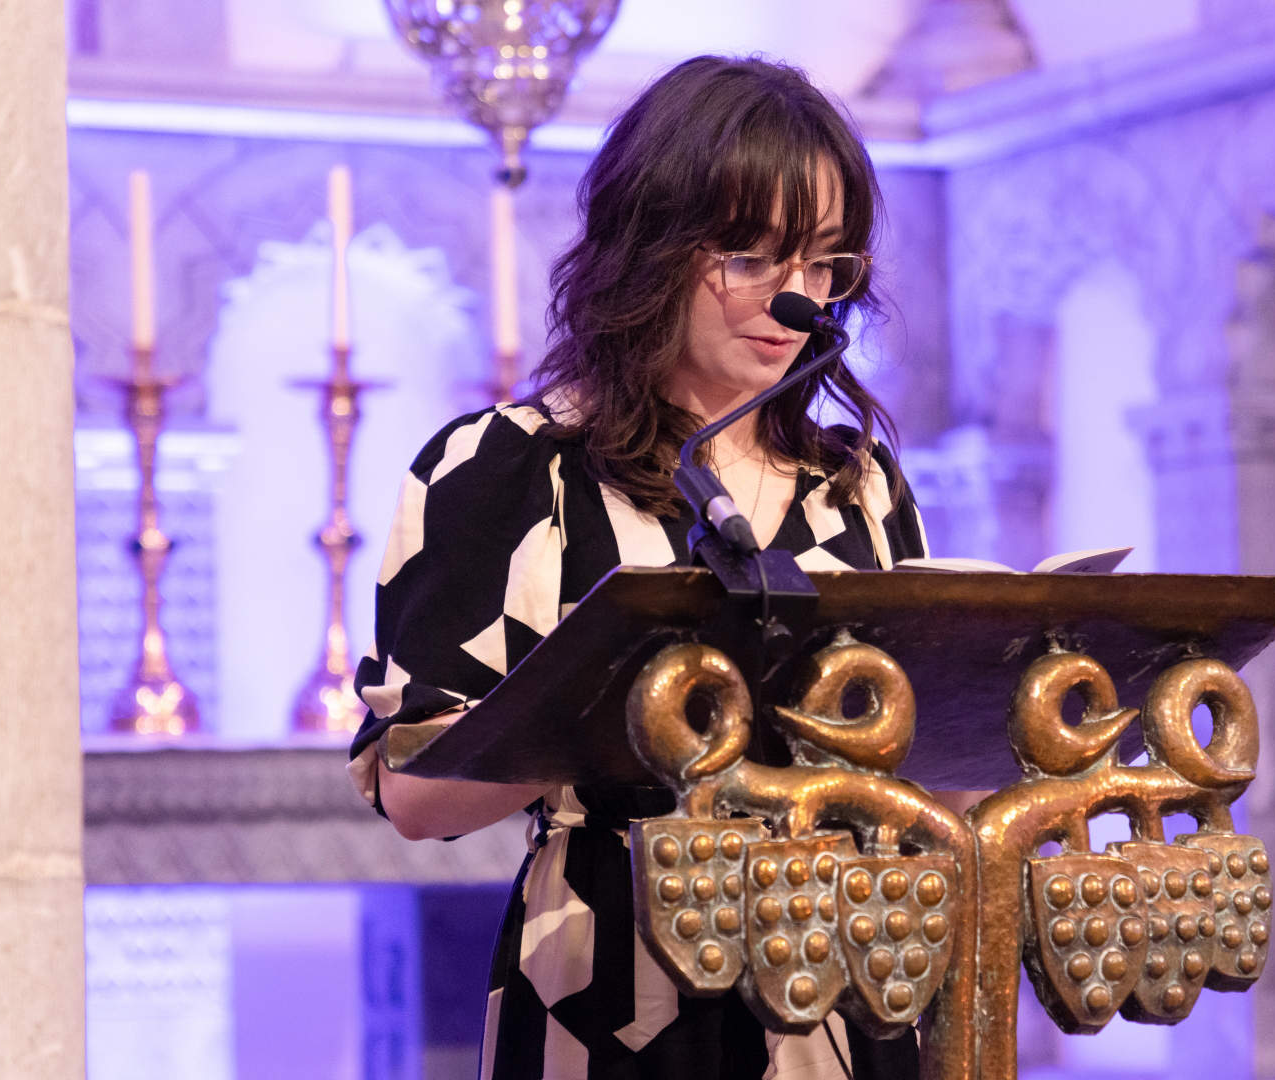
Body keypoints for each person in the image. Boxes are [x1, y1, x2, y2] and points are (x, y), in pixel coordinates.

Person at [347, 56, 928, 1080]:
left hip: (844, 976)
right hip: (614, 981)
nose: (798, 300)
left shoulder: (857, 483)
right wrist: (625, 697)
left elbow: (923, 775)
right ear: (649, 247)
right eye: (751, 255)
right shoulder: (513, 466)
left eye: (825, 264)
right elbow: (417, 795)